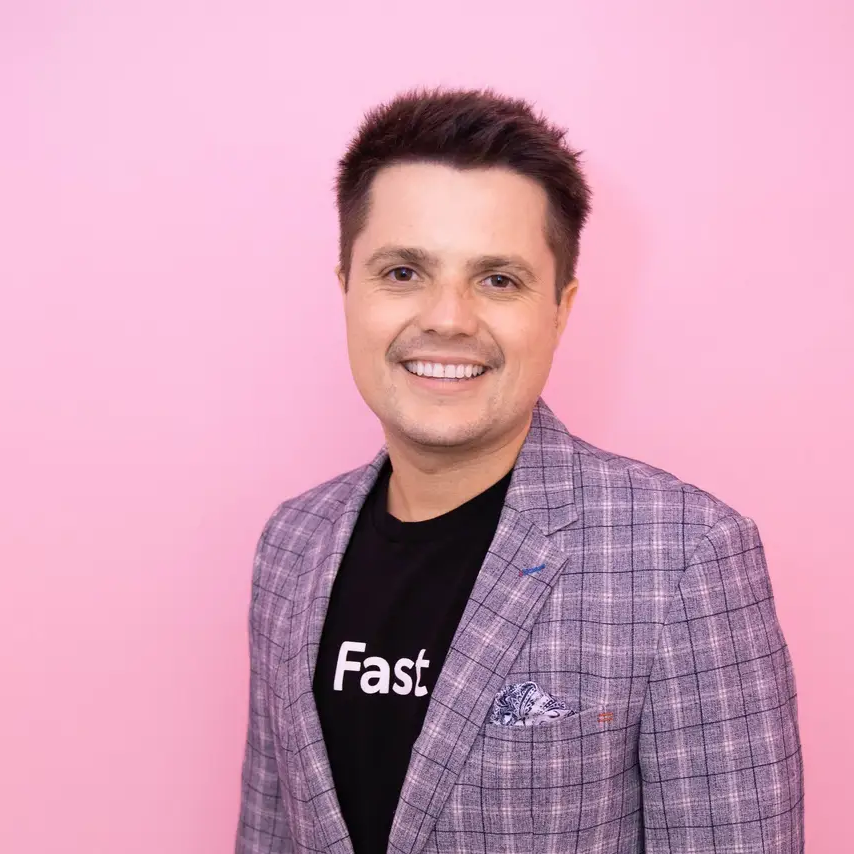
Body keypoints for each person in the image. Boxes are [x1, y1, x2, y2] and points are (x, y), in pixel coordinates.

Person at [235, 87, 804, 854]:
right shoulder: (290, 545)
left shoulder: (684, 556)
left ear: (560, 308)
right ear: (347, 289)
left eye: (497, 279)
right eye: (402, 272)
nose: (447, 318)